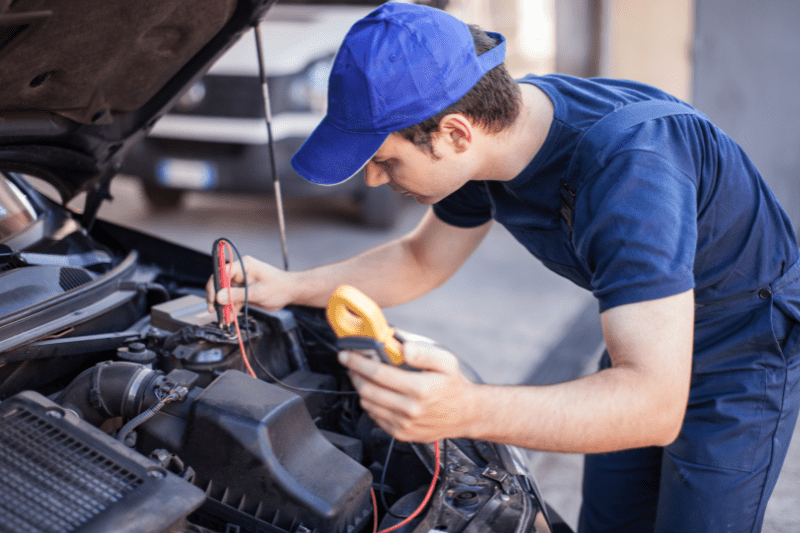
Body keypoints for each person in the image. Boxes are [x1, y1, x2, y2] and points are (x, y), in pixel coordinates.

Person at [206, 3, 800, 532]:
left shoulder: (631, 169)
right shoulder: (486, 142)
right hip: (648, 330)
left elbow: (651, 405)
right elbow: (419, 258)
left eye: (385, 159)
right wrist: (290, 286)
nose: (375, 179)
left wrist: (467, 409)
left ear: (455, 133)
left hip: (744, 344)